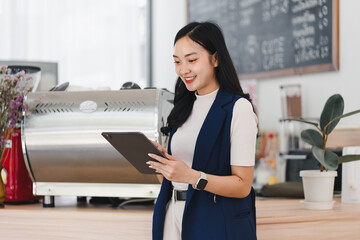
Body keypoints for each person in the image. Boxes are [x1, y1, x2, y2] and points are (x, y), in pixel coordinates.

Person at [147, 21, 258, 240]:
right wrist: (164, 167)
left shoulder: (238, 108)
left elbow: (242, 185)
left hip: (213, 220)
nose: (183, 69)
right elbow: (175, 180)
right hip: (172, 215)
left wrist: (191, 176)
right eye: (177, 62)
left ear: (215, 59)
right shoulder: (183, 108)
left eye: (192, 60)